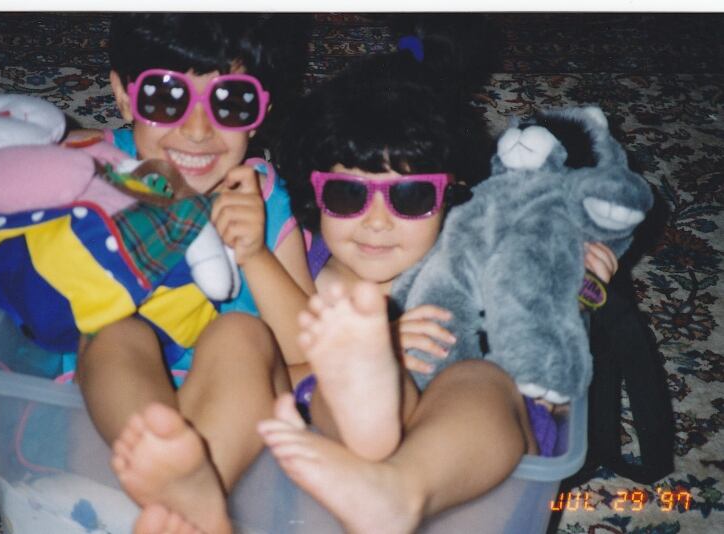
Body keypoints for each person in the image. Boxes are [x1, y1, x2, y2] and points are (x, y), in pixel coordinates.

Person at [249, 37, 621, 533]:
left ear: (451, 196)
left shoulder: (480, 265)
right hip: (324, 488)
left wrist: (573, 291)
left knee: (481, 383)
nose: (376, 222)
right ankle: (370, 430)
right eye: (346, 193)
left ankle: (399, 490)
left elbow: (550, 387)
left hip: (471, 486)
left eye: (410, 195)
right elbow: (261, 382)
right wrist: (375, 357)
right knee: (328, 388)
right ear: (313, 196)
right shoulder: (300, 269)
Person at [67, 14, 314, 534]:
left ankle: (191, 505)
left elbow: (310, 357)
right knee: (112, 328)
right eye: (164, 97)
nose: (198, 130)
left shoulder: (262, 196)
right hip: (114, 435)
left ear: (260, 111)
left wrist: (254, 256)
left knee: (241, 333)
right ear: (124, 95)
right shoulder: (98, 169)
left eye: (231, 102)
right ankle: (187, 504)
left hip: (240, 445)